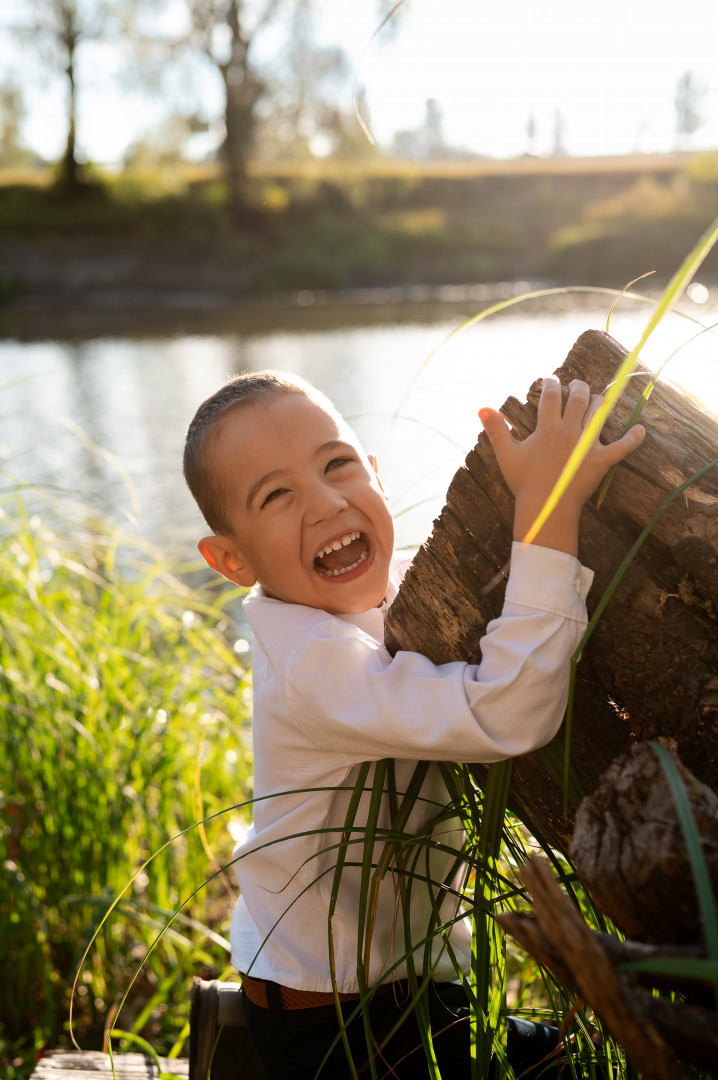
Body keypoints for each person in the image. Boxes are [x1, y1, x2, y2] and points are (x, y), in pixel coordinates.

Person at [183, 370, 644, 1079]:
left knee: (548, 1054)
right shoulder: (312, 662)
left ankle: (241, 1033)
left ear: (375, 473)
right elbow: (508, 712)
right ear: (232, 560)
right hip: (336, 1022)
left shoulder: (385, 594)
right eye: (277, 496)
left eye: (336, 464)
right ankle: (254, 1044)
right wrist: (550, 503)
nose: (327, 502)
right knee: (564, 1067)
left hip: (399, 984)